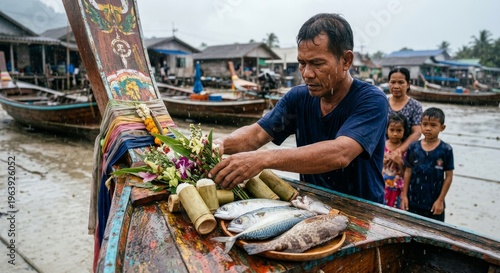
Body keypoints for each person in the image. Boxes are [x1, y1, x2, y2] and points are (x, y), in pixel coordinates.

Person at [208, 13, 388, 203]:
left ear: (346, 61)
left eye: (317, 63)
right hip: (311, 204)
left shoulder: (372, 100)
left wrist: (262, 159)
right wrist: (220, 144)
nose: (307, 74)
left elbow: (340, 153)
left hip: (362, 210)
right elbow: (257, 134)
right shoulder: (298, 98)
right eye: (302, 63)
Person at [401, 107, 454, 221]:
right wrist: (404, 196)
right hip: (413, 201)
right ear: (420, 125)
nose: (428, 128)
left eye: (433, 125)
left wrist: (440, 200)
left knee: (433, 235)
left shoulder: (446, 150)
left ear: (442, 127)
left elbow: (448, 176)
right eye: (425, 124)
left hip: (434, 203)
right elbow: (408, 171)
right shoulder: (413, 147)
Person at [387, 67, 423, 153]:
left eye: (400, 82)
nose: (396, 86)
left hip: (406, 152)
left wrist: (399, 151)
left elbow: (417, 133)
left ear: (408, 84)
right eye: (393, 82)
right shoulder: (382, 102)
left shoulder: (415, 106)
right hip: (382, 150)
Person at [383, 112, 407, 208]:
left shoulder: (405, 149)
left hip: (397, 188)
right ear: (386, 130)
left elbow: (405, 173)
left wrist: (399, 162)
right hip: (382, 185)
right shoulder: (381, 145)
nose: (395, 134)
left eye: (399, 130)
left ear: (404, 131)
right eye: (392, 130)